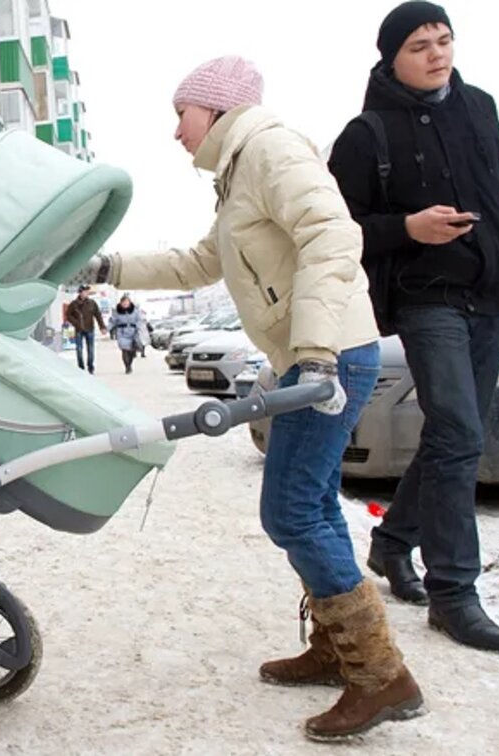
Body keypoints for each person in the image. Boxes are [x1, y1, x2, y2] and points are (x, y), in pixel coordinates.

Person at [82, 55, 424, 740]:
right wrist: (106, 266)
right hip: (317, 355)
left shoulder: (269, 148)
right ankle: (340, 649)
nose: (176, 132)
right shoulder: (239, 175)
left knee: (292, 510)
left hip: (330, 356)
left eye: (181, 114)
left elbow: (333, 236)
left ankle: (381, 676)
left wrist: (317, 351)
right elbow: (195, 264)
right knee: (312, 504)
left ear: (213, 109)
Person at [328, 1, 499, 652]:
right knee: (463, 433)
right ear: (391, 57)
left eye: (444, 40)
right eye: (420, 45)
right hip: (427, 298)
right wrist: (408, 228)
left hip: (489, 293)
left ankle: (391, 544)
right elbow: (338, 230)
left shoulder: (481, 107)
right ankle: (454, 592)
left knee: (450, 435)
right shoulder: (367, 135)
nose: (437, 54)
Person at [65, 285, 107, 373]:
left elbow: (98, 315)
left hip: (90, 329)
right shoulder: (74, 304)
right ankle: (81, 367)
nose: (86, 293)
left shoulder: (92, 303)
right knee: (79, 349)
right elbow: (68, 315)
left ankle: (90, 366)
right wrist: (76, 323)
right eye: (84, 292)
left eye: (87, 292)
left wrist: (102, 327)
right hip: (79, 330)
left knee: (90, 349)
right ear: (80, 292)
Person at [107, 295, 143, 373]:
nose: (125, 304)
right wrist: (107, 328)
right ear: (121, 303)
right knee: (125, 350)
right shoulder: (117, 312)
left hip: (133, 332)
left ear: (130, 302)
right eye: (124, 302)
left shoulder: (135, 311)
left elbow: (139, 320)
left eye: (127, 302)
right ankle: (127, 367)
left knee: (131, 351)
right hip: (122, 332)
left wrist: (139, 328)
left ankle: (130, 364)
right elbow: (112, 321)